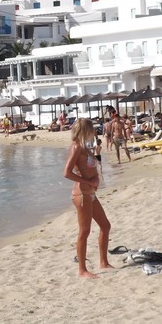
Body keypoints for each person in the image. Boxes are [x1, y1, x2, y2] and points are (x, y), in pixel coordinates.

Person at [63, 118, 113, 278]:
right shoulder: (76, 147)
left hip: (90, 193)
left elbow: (93, 167)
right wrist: (88, 181)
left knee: (105, 226)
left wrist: (97, 155)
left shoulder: (86, 148)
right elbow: (67, 173)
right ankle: (82, 270)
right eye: (91, 130)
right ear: (85, 130)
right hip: (82, 194)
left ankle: (103, 262)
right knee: (84, 231)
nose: (93, 133)